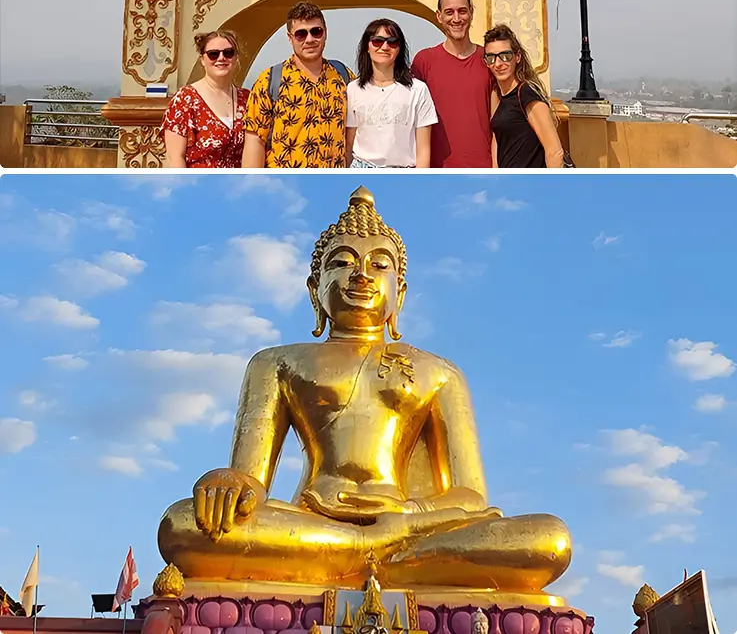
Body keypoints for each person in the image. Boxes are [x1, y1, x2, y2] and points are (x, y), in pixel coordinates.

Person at [158, 185, 572, 592]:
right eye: (342, 262)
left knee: (549, 539)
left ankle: (363, 558)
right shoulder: (275, 363)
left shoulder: (440, 373)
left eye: (379, 265)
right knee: (183, 525)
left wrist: (408, 518)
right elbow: (251, 482)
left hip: (410, 525)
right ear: (314, 290)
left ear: (400, 293)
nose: (361, 275)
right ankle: (379, 557)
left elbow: (471, 496)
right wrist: (229, 483)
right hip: (312, 521)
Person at [243, 1, 353, 168]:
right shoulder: (270, 80)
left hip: (333, 184)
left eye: (316, 32)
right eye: (301, 34)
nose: (309, 39)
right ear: (290, 37)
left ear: (325, 33)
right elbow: (255, 141)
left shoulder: (343, 76)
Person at [411, 0, 492, 168]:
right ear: (439, 16)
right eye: (449, 12)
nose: (456, 19)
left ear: (471, 13)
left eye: (462, 11)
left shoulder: (488, 61)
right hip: (436, 169)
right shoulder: (424, 61)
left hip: (484, 167)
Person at [346, 19, 437, 169]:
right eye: (377, 41)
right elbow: (349, 143)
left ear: (399, 48)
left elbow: (423, 149)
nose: (384, 47)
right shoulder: (353, 89)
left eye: (392, 42)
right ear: (367, 47)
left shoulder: (418, 90)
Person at [162, 30, 249, 168]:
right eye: (213, 54)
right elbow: (175, 158)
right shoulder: (185, 99)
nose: (221, 58)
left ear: (236, 57)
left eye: (228, 53)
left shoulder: (247, 99)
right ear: (203, 60)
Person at [484, 24, 565, 168]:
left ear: (517, 57)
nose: (498, 63)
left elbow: (554, 151)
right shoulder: (499, 95)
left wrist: (552, 188)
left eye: (505, 56)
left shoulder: (527, 94)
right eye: (491, 58)